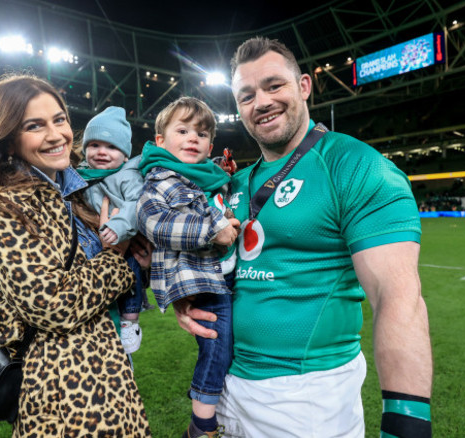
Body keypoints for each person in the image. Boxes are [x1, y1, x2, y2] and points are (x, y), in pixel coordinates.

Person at [174, 37, 433, 438]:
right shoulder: (235, 184)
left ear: (305, 87)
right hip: (222, 387)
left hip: (305, 401)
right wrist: (188, 297)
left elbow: (398, 297)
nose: (261, 102)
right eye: (246, 95)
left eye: (274, 86)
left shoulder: (356, 166)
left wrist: (407, 423)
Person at [0, 73, 151, 437]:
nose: (57, 134)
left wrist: (141, 263)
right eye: (35, 126)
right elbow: (54, 306)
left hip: (110, 372)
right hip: (62, 391)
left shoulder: (78, 191)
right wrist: (117, 258)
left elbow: (104, 283)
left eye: (60, 119)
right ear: (8, 141)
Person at [137, 97, 240, 438]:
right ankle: (202, 424)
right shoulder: (160, 179)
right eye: (182, 130)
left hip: (221, 275)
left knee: (225, 345)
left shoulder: (206, 178)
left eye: (202, 132)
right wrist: (213, 229)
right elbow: (157, 224)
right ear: (161, 141)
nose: (193, 138)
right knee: (217, 344)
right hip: (199, 280)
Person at [76, 106, 147, 354]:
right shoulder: (80, 175)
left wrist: (119, 226)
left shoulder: (127, 175)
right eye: (94, 145)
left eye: (112, 147)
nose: (102, 152)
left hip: (125, 236)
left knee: (131, 271)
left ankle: (131, 321)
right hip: (97, 254)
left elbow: (136, 203)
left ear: (126, 155)